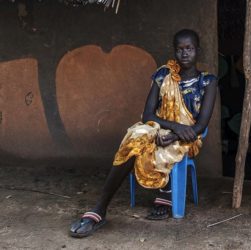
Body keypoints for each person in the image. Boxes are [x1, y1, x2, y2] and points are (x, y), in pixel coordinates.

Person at [69, 29, 217, 237]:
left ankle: (165, 193)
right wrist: (171, 128)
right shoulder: (163, 75)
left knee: (152, 143)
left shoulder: (208, 82)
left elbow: (201, 125)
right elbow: (148, 114)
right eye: (180, 49)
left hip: (188, 137)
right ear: (174, 51)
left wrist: (175, 135)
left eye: (189, 48)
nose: (184, 53)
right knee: (136, 136)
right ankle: (99, 208)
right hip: (161, 128)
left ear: (197, 51)